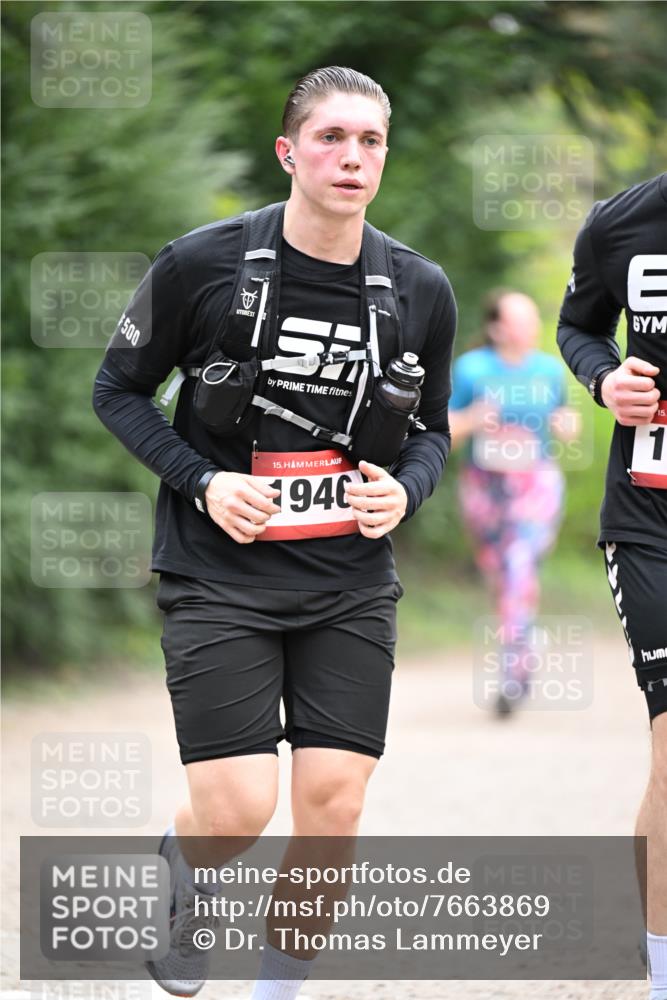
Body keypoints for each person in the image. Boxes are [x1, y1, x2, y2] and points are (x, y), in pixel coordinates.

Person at [92, 66, 456, 999]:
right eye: (332, 137)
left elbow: (431, 432)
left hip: (348, 579)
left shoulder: (419, 287)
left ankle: (275, 993)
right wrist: (204, 481)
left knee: (332, 809)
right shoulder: (200, 265)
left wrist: (405, 493)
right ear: (290, 152)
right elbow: (117, 392)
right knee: (241, 810)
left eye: (370, 141)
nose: (352, 157)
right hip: (219, 574)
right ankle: (185, 867)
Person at [557, 172, 667, 1000]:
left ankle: (648, 925)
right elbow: (578, 326)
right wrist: (604, 381)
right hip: (649, 519)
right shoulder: (620, 224)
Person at [448, 290, 579, 715]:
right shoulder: (472, 369)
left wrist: (567, 424)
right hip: (484, 484)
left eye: (532, 319)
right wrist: (472, 419)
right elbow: (442, 430)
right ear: (496, 328)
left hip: (534, 482)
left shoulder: (547, 370)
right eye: (519, 320)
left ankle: (515, 672)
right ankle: (523, 639)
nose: (529, 328)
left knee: (518, 565)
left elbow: (567, 421)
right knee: (501, 574)